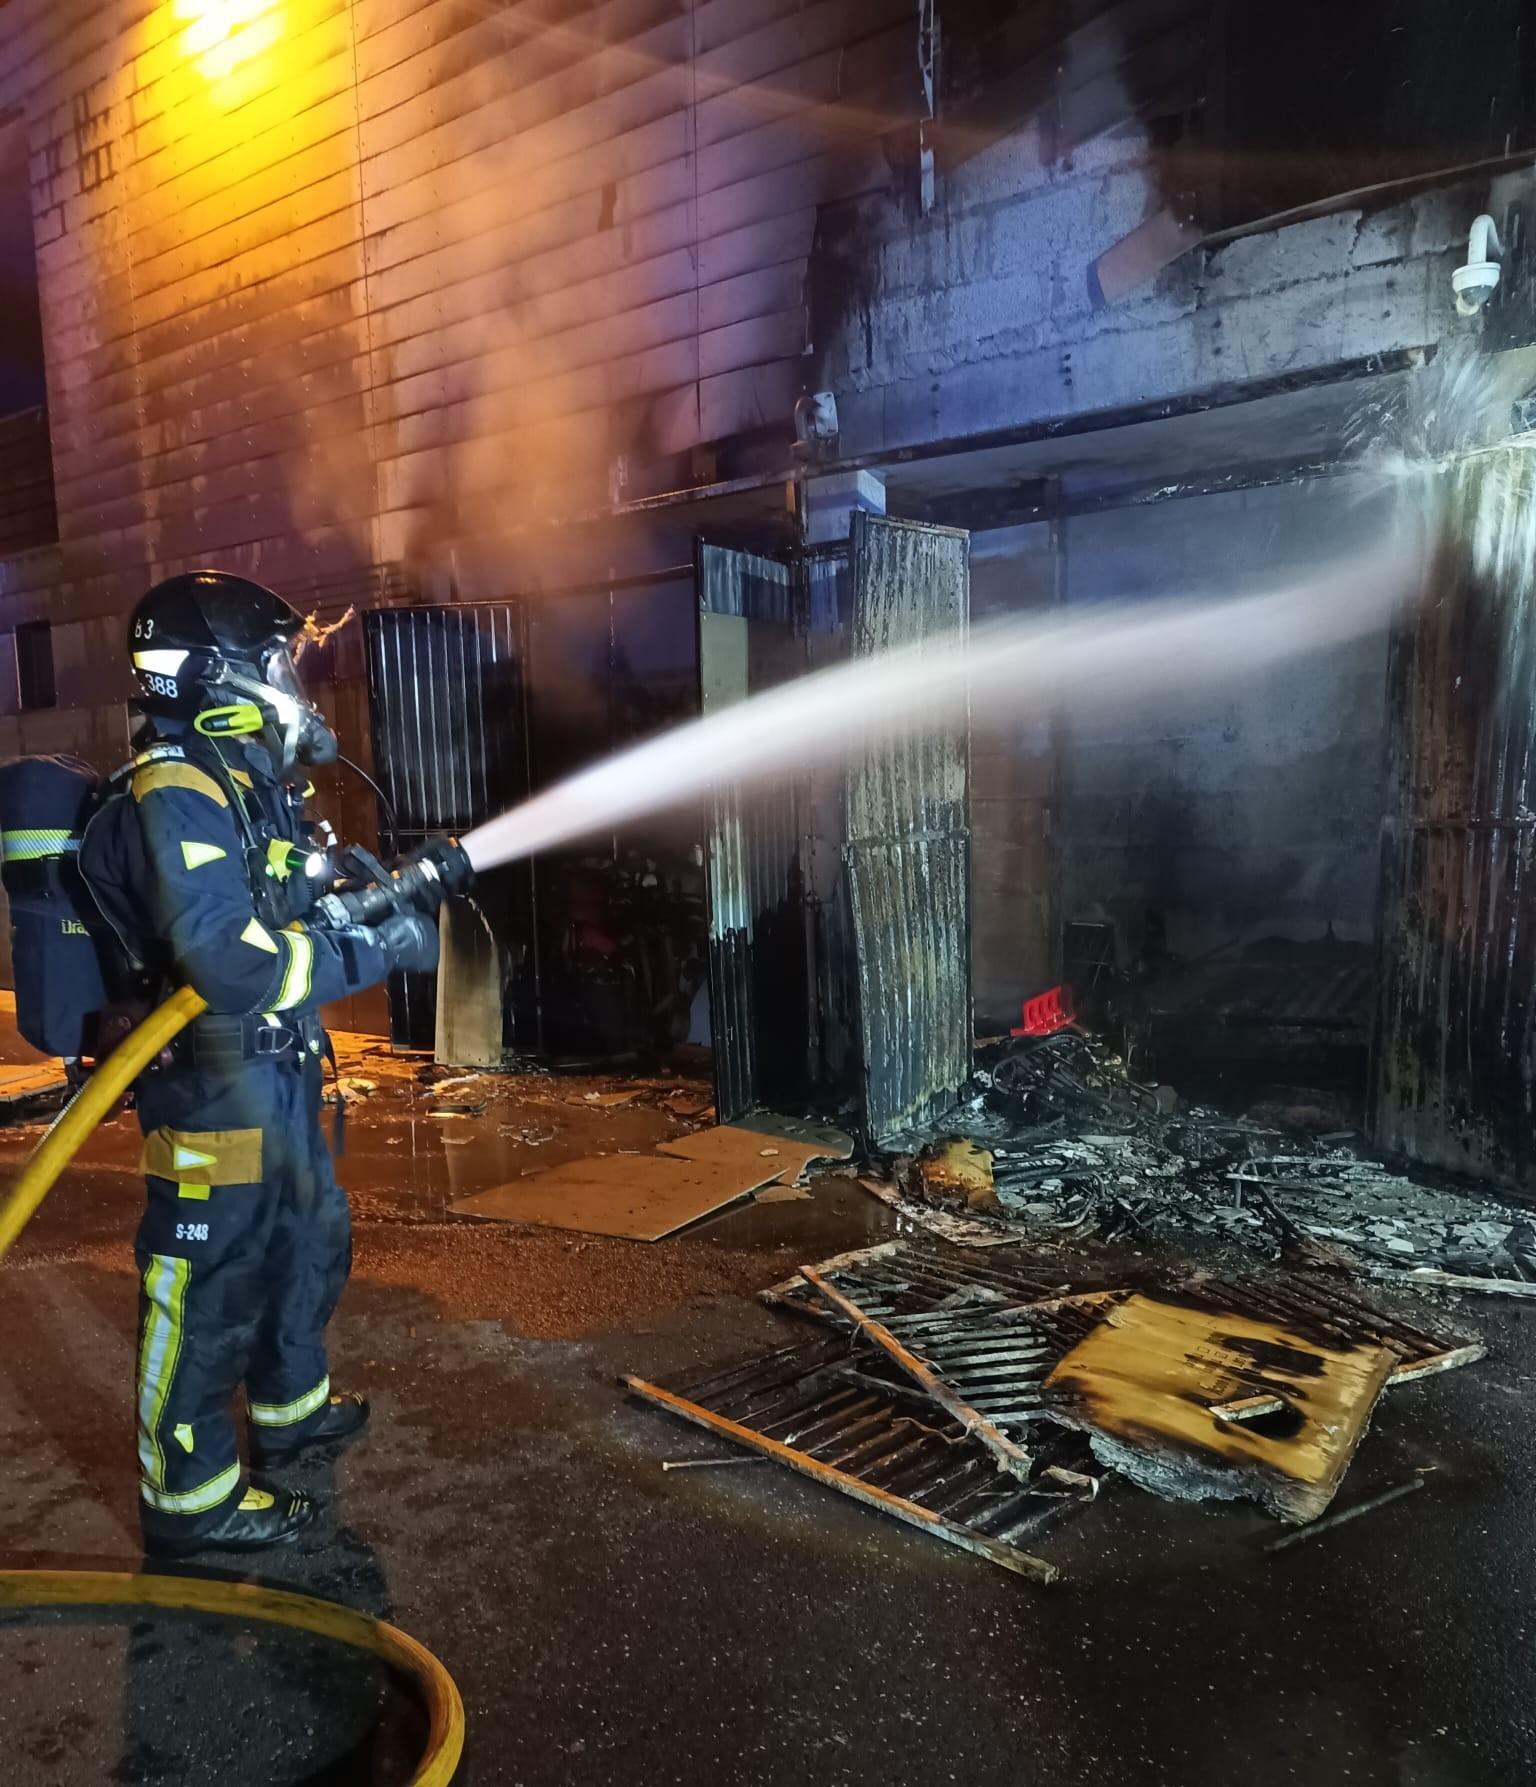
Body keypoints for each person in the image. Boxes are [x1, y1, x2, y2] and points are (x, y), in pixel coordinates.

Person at [79, 571, 439, 1557]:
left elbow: (284, 913)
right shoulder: (176, 793)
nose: (291, 682)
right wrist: (379, 951)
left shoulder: (241, 784)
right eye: (275, 662)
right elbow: (233, 966)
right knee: (205, 1283)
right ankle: (187, 1500)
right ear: (218, 676)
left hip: (274, 1075)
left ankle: (291, 1414)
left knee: (303, 1243)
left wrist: (385, 894)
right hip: (209, 1085)